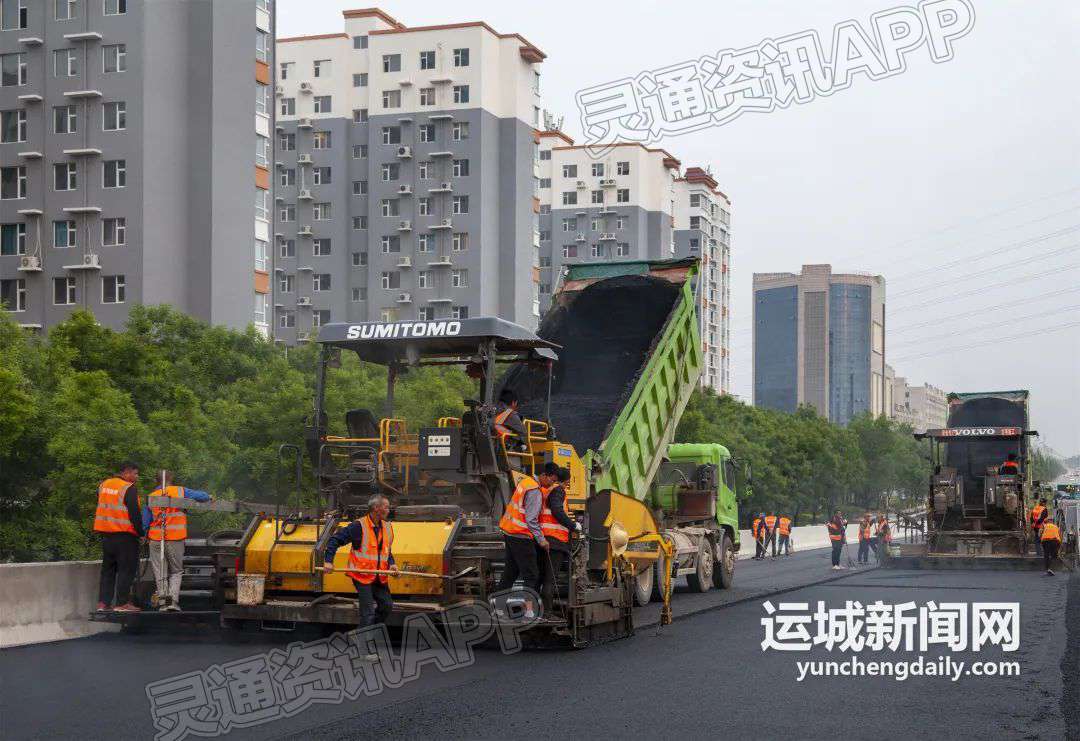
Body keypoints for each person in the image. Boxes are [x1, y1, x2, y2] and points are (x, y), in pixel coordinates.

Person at [323, 494, 398, 628]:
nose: (389, 510)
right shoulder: (358, 526)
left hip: (379, 576)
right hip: (362, 576)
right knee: (368, 613)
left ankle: (366, 631)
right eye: (386, 507)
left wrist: (392, 563)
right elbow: (335, 540)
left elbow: (386, 550)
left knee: (387, 606)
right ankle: (363, 642)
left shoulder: (387, 527)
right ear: (376, 508)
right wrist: (328, 561)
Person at [142, 471, 212, 612]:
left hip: (155, 539)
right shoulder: (180, 491)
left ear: (156, 481)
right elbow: (202, 496)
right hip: (175, 538)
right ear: (171, 479)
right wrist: (209, 496)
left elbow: (145, 522)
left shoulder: (151, 496)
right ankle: (172, 602)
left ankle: (162, 602)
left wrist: (144, 536)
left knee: (159, 571)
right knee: (176, 571)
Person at [94, 462, 146, 612]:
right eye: (135, 473)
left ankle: (103, 603)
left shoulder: (103, 485)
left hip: (106, 535)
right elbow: (134, 513)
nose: (137, 477)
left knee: (108, 570)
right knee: (126, 569)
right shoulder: (128, 488)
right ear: (127, 473)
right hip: (125, 536)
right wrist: (141, 534)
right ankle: (122, 603)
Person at [496, 469, 547, 616]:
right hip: (521, 535)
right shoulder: (535, 490)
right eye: (551, 480)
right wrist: (541, 540)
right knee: (531, 575)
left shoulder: (525, 481)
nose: (551, 484)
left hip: (509, 531)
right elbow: (531, 520)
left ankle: (498, 608)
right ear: (544, 475)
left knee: (510, 573)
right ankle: (529, 611)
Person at [537, 464, 580, 612]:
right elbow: (556, 510)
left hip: (545, 539)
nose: (569, 484)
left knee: (542, 579)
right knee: (550, 580)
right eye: (568, 481)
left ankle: (537, 611)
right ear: (565, 480)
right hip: (555, 541)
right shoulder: (558, 491)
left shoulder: (547, 490)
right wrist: (573, 525)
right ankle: (547, 614)